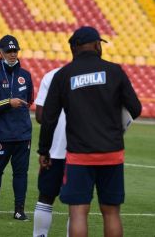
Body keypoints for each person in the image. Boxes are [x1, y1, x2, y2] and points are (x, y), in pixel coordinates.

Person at [38, 26, 142, 237]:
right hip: (112, 152)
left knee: (78, 212)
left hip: (79, 154)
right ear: (96, 45)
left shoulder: (63, 75)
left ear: (74, 49)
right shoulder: (115, 71)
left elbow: (48, 118)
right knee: (111, 212)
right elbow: (136, 109)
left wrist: (44, 151)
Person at [0, 35, 34, 221]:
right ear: (0, 53)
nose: (12, 54)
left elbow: (30, 100)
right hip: (1, 136)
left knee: (21, 173)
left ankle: (19, 210)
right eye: (8, 51)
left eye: (15, 51)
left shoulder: (26, 75)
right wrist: (8, 103)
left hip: (22, 134)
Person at [33, 68, 67, 237]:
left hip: (54, 148)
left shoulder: (52, 75)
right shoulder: (99, 73)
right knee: (78, 204)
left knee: (45, 197)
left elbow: (40, 116)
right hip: (83, 150)